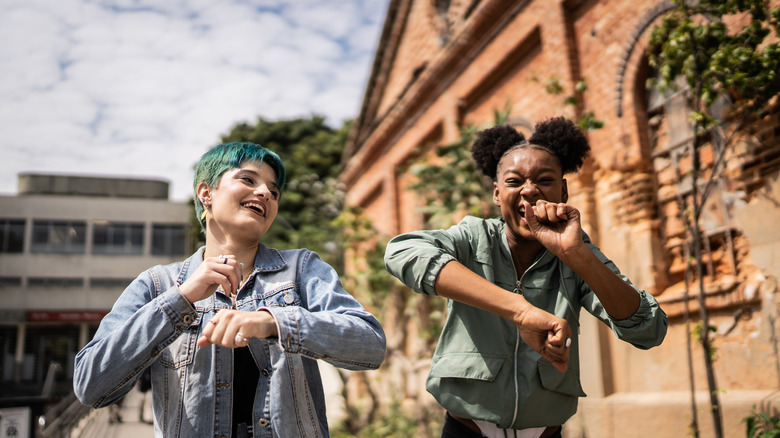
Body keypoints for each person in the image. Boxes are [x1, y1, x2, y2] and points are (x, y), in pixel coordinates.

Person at [74, 142, 387, 438]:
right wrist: (180, 299)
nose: (265, 192)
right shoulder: (156, 285)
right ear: (206, 193)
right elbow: (91, 385)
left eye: (274, 191)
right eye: (248, 179)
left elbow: (370, 345)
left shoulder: (302, 269)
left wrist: (272, 322)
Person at [384, 117, 667, 438]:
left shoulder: (578, 252)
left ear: (564, 190)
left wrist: (577, 255)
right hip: (466, 430)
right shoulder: (473, 237)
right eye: (514, 181)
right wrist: (521, 311)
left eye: (545, 180)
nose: (529, 190)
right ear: (496, 193)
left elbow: (648, 330)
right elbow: (403, 252)